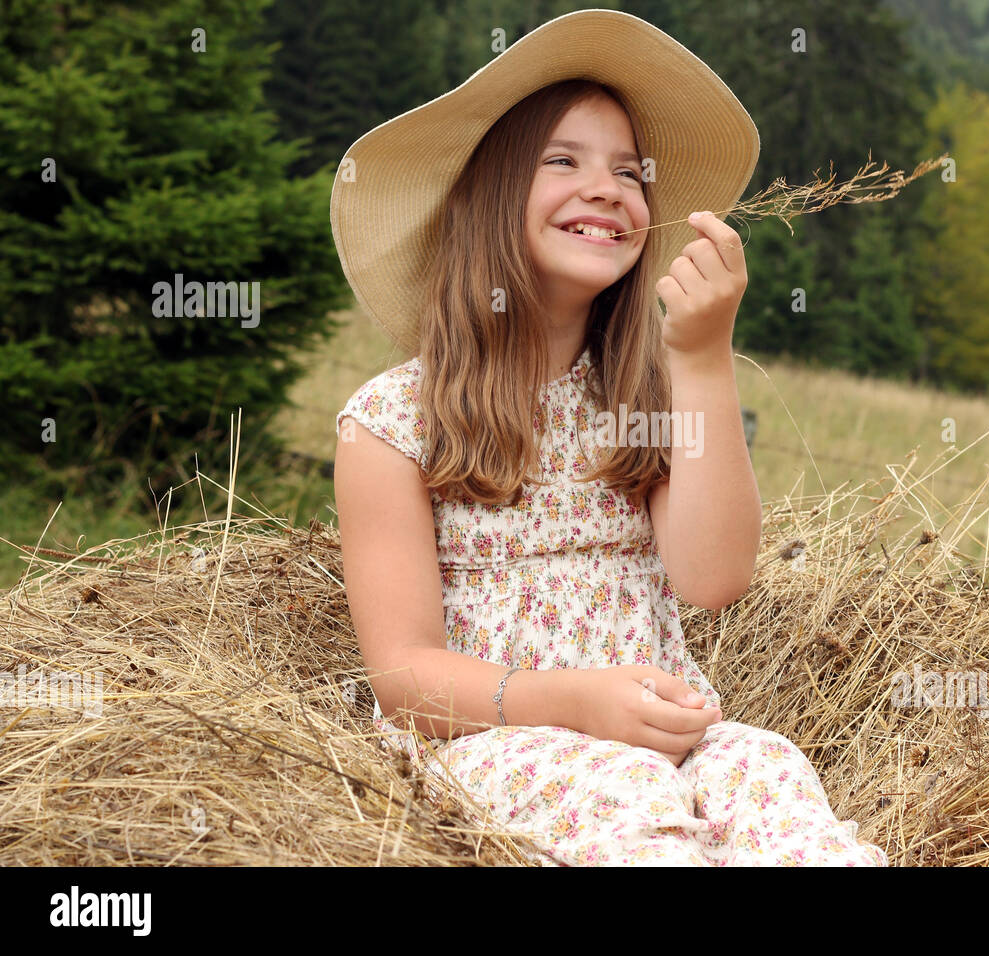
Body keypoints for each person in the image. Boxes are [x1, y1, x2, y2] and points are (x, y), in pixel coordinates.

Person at [332, 9, 887, 867]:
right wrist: (573, 703)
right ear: (486, 198)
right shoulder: (392, 422)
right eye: (563, 161)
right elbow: (403, 677)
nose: (608, 188)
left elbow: (713, 577)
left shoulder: (642, 397)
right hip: (499, 741)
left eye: (631, 172)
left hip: (671, 736)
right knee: (636, 813)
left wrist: (701, 358)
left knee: (770, 774)